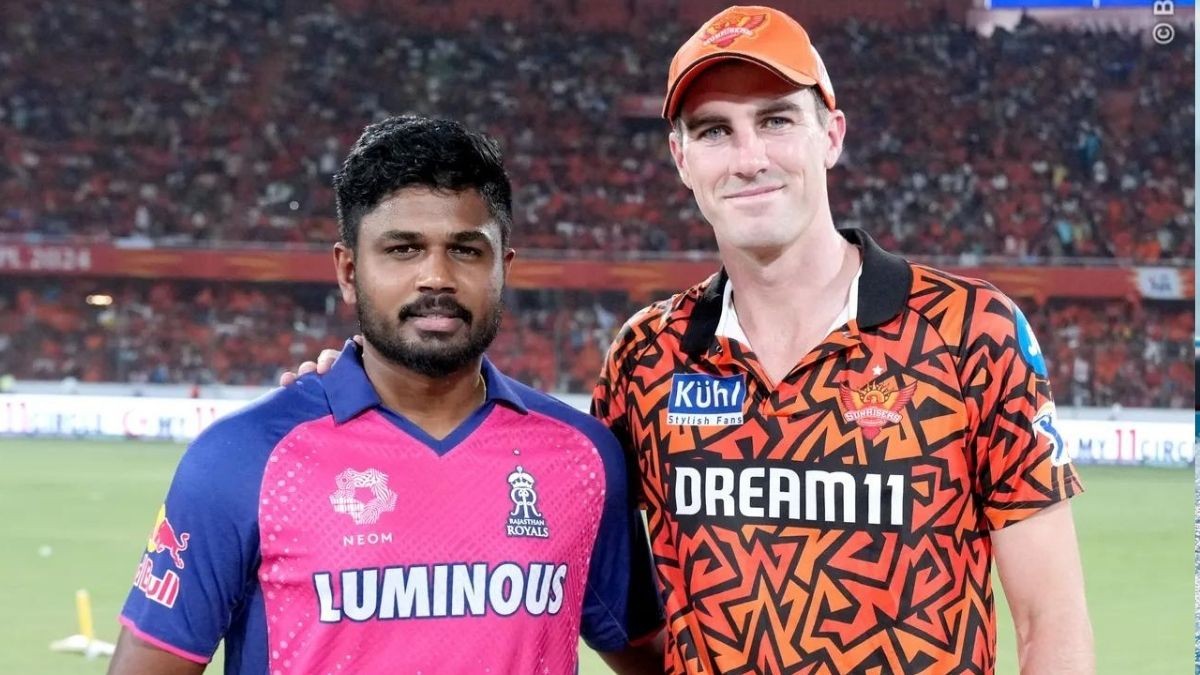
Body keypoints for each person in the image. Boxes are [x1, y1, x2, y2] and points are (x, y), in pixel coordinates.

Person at [287, 6, 1094, 674]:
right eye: (714, 131)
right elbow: (537, 494)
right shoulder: (648, 356)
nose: (749, 158)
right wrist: (383, 393)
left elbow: (1051, 621)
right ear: (680, 157)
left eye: (776, 120)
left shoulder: (970, 331)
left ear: (832, 135)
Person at [110, 115, 663, 675]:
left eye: (466, 250)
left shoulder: (582, 457)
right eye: (403, 249)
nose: (436, 277)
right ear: (349, 271)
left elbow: (655, 656)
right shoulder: (242, 458)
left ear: (504, 268)